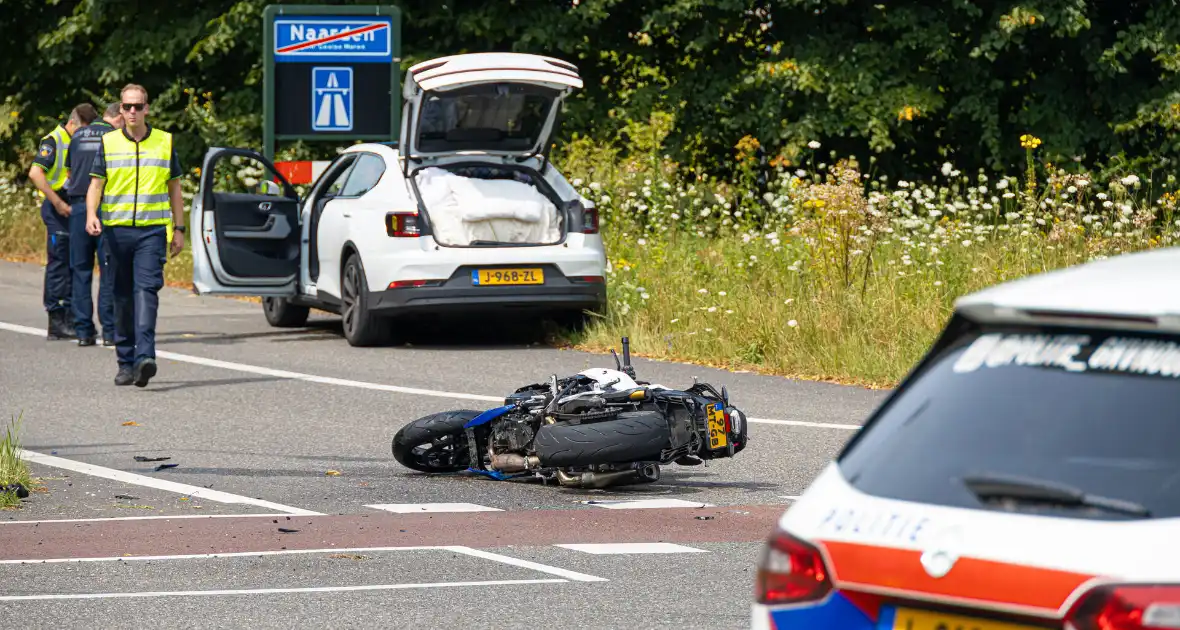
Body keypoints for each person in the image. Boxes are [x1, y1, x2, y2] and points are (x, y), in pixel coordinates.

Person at [85, 83, 186, 387]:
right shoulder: (109, 142)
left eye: (137, 106)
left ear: (147, 108)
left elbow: (175, 188)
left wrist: (179, 229)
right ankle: (125, 362)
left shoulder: (165, 143)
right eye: (127, 106)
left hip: (151, 232)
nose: (131, 112)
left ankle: (145, 357)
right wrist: (91, 214)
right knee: (121, 296)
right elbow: (96, 185)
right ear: (121, 108)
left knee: (146, 293)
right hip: (116, 232)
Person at [27, 103, 98, 340]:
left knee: (72, 263)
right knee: (59, 264)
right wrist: (57, 202)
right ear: (73, 124)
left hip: (74, 205)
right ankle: (56, 320)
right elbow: (35, 173)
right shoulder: (54, 140)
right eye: (84, 131)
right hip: (58, 206)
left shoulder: (79, 140)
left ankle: (71, 316)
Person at [64, 101, 123, 346]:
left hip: (78, 207)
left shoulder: (77, 136)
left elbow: (69, 172)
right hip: (105, 207)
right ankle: (109, 331)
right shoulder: (115, 137)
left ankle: (83, 331)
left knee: (81, 270)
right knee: (109, 270)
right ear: (118, 117)